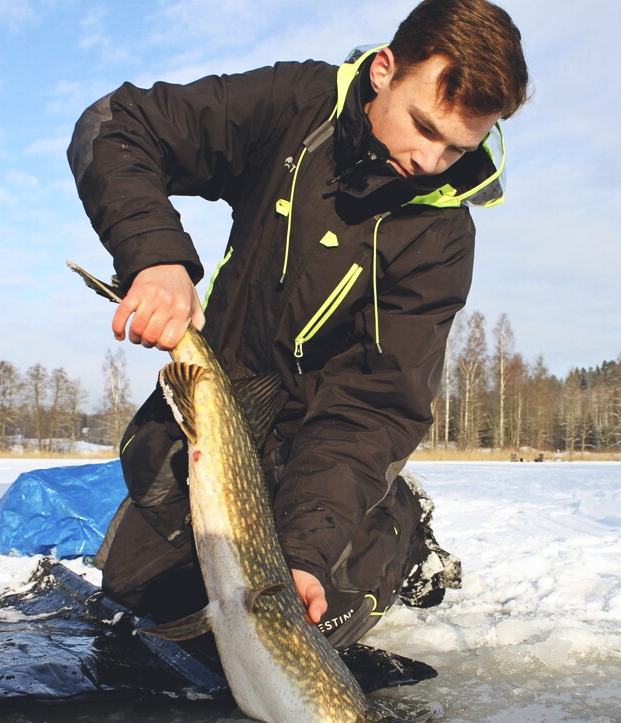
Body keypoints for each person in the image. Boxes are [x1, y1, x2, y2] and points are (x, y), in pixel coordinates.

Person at [68, 0, 528, 650]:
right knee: (141, 596)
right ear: (383, 71)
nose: (431, 160)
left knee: (303, 627)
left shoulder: (441, 238)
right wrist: (156, 258)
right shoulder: (294, 105)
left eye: (459, 145)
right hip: (227, 415)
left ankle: (396, 526)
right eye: (423, 126)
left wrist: (304, 552)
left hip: (321, 447)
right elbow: (116, 124)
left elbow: (377, 406)